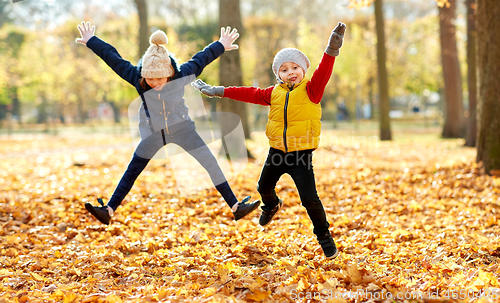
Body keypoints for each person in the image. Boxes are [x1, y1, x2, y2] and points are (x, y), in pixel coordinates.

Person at [76, 21, 260, 225]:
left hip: (183, 129)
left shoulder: (182, 75)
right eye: (150, 80)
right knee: (133, 169)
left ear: (170, 72)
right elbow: (114, 59)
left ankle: (236, 206)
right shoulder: (138, 79)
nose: (154, 84)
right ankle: (108, 210)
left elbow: (201, 58)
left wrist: (222, 44)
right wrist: (92, 41)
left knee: (210, 162)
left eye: (159, 79)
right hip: (154, 133)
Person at [192, 22, 346, 259]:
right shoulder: (273, 93)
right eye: (284, 69)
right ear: (278, 74)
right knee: (263, 187)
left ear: (304, 69)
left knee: (309, 199)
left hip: (300, 155)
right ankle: (272, 205)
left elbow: (324, 71)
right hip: (276, 152)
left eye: (295, 67)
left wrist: (331, 49)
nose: (290, 72)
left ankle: (324, 236)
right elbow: (247, 92)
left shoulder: (311, 91)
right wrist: (218, 90)